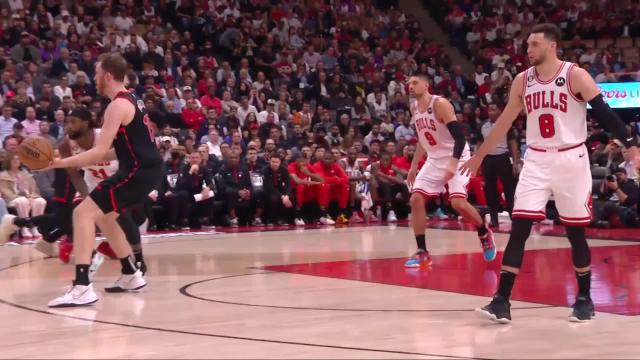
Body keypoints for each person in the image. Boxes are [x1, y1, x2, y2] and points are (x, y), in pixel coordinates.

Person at [461, 23, 640, 323]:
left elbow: (606, 114)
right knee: (520, 227)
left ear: (552, 46)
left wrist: (631, 144)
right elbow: (505, 121)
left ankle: (584, 299)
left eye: (534, 45)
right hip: (537, 159)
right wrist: (479, 154)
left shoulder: (575, 75)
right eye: (528, 45)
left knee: (575, 232)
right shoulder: (523, 80)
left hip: (571, 157)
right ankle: (501, 301)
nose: (528, 50)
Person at [45, 53, 162, 308]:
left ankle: (82, 286)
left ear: (108, 75)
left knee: (82, 213)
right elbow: (114, 151)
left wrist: (59, 163)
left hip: (137, 172)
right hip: (143, 170)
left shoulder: (117, 105)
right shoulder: (133, 99)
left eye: (97, 73)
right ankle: (130, 274)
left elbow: (99, 152)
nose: (94, 78)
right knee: (104, 216)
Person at [404, 73, 496, 269]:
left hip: (458, 155)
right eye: (408, 84)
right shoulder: (414, 107)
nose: (410, 86)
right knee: (415, 199)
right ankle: (422, 252)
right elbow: (423, 138)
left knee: (458, 203)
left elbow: (460, 139)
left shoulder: (440, 104)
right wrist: (413, 166)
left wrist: (453, 164)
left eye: (415, 82)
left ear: (427, 85)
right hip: (435, 158)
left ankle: (483, 231)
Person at [480, 103, 521, 227]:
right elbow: (479, 144)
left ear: (499, 111)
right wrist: (478, 160)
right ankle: (494, 219)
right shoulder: (484, 126)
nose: (491, 112)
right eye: (489, 109)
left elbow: (512, 143)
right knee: (490, 190)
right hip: (488, 159)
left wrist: (515, 162)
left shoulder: (506, 124)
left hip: (502, 157)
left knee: (509, 189)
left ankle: (513, 217)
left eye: (494, 109)